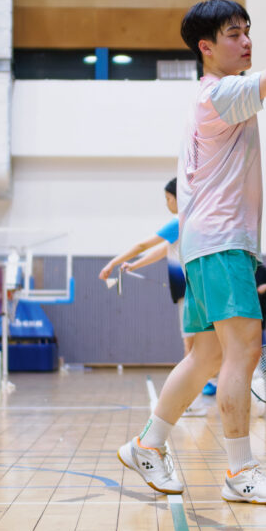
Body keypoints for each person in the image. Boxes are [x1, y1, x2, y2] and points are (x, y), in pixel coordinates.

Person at [117, 0, 266, 503]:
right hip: (222, 243)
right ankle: (240, 472)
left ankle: (148, 445)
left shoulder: (210, 98)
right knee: (242, 351)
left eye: (249, 32)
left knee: (205, 355)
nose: (247, 42)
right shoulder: (219, 95)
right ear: (206, 46)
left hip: (206, 245)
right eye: (235, 34)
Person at [102, 178, 209, 416]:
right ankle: (196, 399)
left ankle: (196, 401)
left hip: (191, 292)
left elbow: (143, 244)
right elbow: (163, 250)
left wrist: (113, 262)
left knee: (193, 350)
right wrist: (134, 266)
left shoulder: (181, 221)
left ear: (177, 198)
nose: (167, 203)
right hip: (190, 293)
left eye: (168, 199)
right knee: (195, 348)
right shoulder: (190, 222)